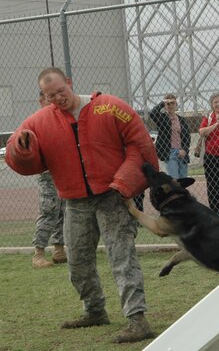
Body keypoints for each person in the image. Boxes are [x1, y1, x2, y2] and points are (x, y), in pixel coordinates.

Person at [5, 67, 159, 343]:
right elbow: (20, 154)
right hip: (75, 202)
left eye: (61, 92)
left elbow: (140, 144)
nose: (58, 99)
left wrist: (124, 182)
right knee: (76, 260)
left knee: (121, 256)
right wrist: (22, 145)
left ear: (69, 83)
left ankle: (137, 319)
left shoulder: (110, 107)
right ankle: (94, 310)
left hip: (112, 195)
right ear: (44, 96)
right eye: (50, 96)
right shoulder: (40, 122)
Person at [32, 90, 67, 269]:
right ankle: (38, 253)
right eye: (48, 98)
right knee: (49, 210)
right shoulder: (37, 121)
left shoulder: (61, 117)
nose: (53, 101)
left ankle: (59, 249)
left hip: (63, 172)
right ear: (41, 100)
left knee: (62, 211)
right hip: (47, 174)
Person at [149, 93, 191, 178]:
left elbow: (187, 137)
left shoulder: (181, 120)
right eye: (168, 104)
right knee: (174, 179)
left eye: (173, 103)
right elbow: (152, 113)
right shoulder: (162, 118)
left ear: (176, 105)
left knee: (183, 179)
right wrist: (163, 102)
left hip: (182, 152)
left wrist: (185, 150)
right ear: (165, 106)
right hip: (170, 152)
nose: (171, 105)